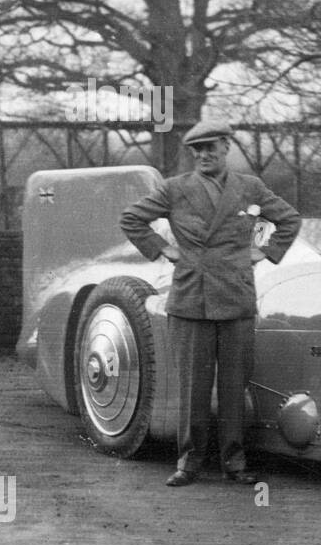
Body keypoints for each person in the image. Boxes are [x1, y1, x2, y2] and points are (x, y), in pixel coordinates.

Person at [119, 121, 301, 487]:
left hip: (235, 296)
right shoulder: (175, 189)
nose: (203, 155)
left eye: (210, 148)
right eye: (196, 150)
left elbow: (289, 220)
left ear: (226, 148)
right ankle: (189, 463)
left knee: (235, 385)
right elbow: (132, 219)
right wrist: (165, 250)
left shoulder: (250, 187)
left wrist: (263, 253)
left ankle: (234, 463)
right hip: (191, 299)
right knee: (193, 387)